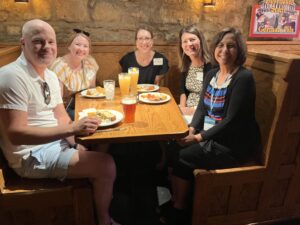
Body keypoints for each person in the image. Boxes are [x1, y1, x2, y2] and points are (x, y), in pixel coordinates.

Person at [0, 19, 120, 225]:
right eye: (38, 41)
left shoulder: (50, 75)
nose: (46, 47)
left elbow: (61, 116)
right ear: (23, 43)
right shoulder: (11, 76)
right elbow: (15, 133)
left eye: (51, 42)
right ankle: (104, 220)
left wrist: (74, 143)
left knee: (97, 148)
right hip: (30, 156)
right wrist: (73, 128)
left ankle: (92, 207)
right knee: (106, 165)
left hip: (55, 145)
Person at [160, 27, 261, 225]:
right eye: (221, 45)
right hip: (210, 134)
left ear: (239, 50)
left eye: (231, 46)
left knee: (183, 156)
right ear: (214, 48)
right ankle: (180, 199)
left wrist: (198, 137)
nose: (224, 50)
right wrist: (190, 130)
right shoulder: (212, 74)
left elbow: (231, 120)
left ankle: (180, 209)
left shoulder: (243, 78)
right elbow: (201, 110)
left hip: (231, 144)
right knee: (174, 146)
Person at [49, 28, 99, 120]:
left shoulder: (90, 63)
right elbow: (57, 102)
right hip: (64, 110)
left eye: (85, 46)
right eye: (77, 44)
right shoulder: (59, 67)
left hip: (85, 107)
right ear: (69, 46)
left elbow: (92, 91)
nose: (81, 49)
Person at [178, 25, 212, 121]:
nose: (189, 44)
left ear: (200, 41)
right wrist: (182, 108)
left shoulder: (211, 66)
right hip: (187, 111)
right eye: (185, 41)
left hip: (205, 114)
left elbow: (212, 99)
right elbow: (182, 91)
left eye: (192, 39)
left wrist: (192, 111)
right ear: (181, 45)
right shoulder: (186, 65)